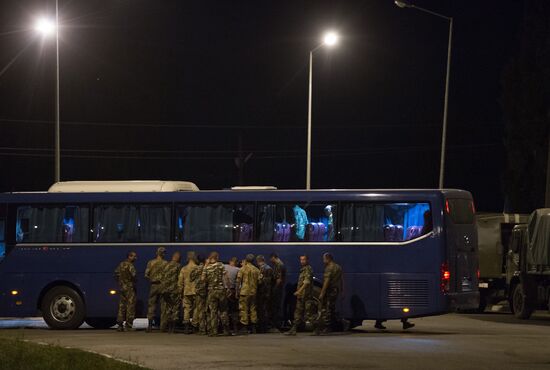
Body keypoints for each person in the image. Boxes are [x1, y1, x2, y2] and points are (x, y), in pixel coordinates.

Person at [202, 251, 231, 336]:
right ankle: (226, 330)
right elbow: (226, 277)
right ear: (217, 257)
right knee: (223, 310)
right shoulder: (220, 265)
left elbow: (203, 279)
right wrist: (228, 288)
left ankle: (214, 331)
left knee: (213, 311)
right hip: (221, 290)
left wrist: (205, 266)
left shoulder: (207, 268)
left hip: (211, 291)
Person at [314, 253, 343, 335]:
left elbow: (326, 282)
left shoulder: (329, 268)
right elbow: (341, 279)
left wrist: (322, 293)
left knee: (327, 309)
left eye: (324, 259)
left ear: (328, 258)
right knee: (331, 308)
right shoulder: (338, 267)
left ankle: (327, 327)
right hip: (336, 290)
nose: (323, 261)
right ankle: (332, 326)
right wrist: (343, 290)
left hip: (330, 290)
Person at [285, 255, 313, 336]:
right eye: (301, 260)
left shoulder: (308, 269)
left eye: (304, 259)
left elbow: (306, 282)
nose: (302, 261)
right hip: (301, 296)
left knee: (309, 313)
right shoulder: (303, 270)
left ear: (307, 260)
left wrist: (299, 291)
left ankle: (318, 328)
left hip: (306, 295)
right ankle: (293, 329)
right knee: (298, 312)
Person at [144, 247, 168, 332]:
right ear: (163, 254)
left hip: (153, 286)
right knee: (163, 306)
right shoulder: (166, 263)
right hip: (163, 286)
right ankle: (163, 327)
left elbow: (146, 275)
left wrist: (152, 278)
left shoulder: (151, 262)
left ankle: (150, 326)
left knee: (151, 305)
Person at [236, 254, 260, 334]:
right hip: (253, 292)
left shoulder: (242, 269)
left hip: (244, 292)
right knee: (253, 309)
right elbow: (260, 281)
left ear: (246, 260)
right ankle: (254, 327)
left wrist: (237, 292)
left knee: (243, 309)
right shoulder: (256, 270)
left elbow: (238, 281)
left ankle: (244, 327)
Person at [114, 251, 137, 332]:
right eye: (134, 256)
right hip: (129, 288)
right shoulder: (130, 266)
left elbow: (116, 274)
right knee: (130, 306)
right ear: (129, 256)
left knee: (121, 306)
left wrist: (120, 282)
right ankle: (128, 325)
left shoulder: (121, 264)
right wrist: (132, 282)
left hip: (122, 287)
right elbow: (134, 275)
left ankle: (120, 325)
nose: (135, 258)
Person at [161, 251, 182, 333]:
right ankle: (172, 328)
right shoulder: (178, 266)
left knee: (167, 308)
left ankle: (166, 326)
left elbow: (162, 277)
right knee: (175, 308)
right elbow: (179, 278)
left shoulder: (165, 265)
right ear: (178, 258)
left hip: (165, 290)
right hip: (174, 290)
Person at [178, 251, 198, 334]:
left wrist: (180, 292)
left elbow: (180, 282)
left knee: (187, 309)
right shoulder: (198, 268)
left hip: (186, 291)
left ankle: (186, 327)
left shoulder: (184, 268)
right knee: (196, 308)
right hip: (196, 291)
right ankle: (194, 326)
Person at [190, 254, 208, 335]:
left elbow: (191, 278)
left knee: (198, 309)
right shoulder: (207, 268)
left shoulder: (195, 269)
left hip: (198, 291)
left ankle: (197, 326)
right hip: (206, 291)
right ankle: (204, 328)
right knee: (205, 310)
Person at [256, 255, 273, 333]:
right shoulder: (268, 268)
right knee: (265, 309)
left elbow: (264, 282)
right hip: (266, 292)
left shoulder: (264, 269)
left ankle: (263, 327)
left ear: (258, 261)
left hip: (263, 292)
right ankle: (265, 327)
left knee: (263, 309)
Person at [270, 253, 287, 332]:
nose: (271, 261)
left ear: (274, 257)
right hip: (279, 288)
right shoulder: (278, 265)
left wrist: (275, 289)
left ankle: (277, 326)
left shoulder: (279, 265)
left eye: (271, 259)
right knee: (276, 306)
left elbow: (279, 279)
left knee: (276, 307)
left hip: (278, 289)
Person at [224, 256, 240, 333]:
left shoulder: (224, 267)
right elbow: (238, 282)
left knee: (224, 310)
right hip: (233, 291)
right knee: (234, 310)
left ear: (230, 261)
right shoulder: (238, 269)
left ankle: (225, 328)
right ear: (236, 262)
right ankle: (235, 328)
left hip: (224, 290)